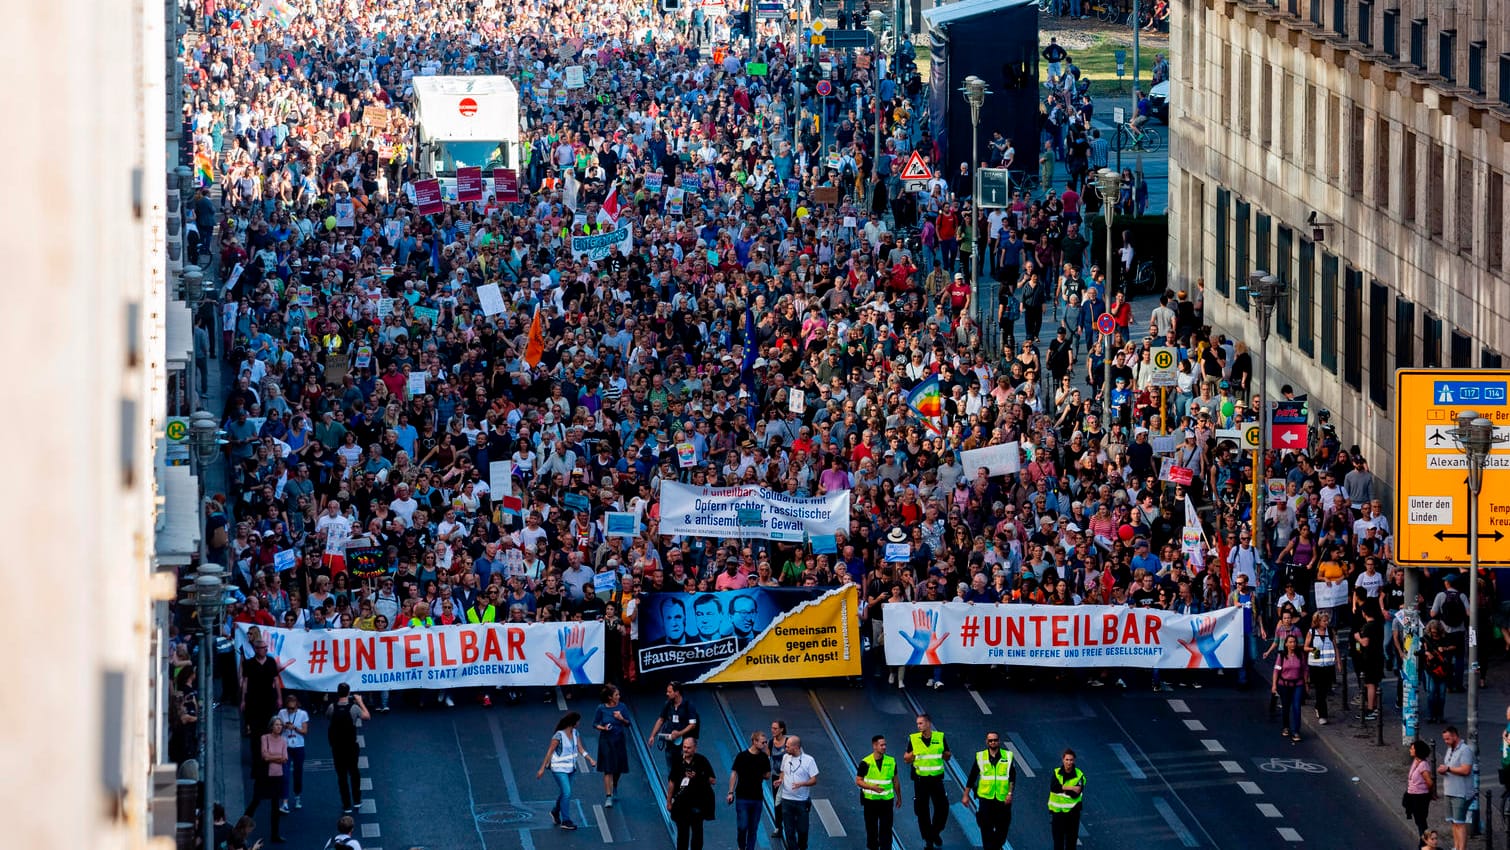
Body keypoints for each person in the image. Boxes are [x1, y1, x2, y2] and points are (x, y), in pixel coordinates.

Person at [537, 710, 593, 830]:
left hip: (571, 768)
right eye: (578, 721)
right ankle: (566, 820)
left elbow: (580, 748)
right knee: (567, 793)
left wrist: (590, 759)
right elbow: (550, 752)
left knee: (564, 793)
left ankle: (555, 812)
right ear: (573, 722)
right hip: (559, 769)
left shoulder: (575, 733)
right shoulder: (558, 735)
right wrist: (542, 768)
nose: (579, 723)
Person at [962, 732, 1017, 850]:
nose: (993, 742)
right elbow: (972, 776)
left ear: (999, 741)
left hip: (1003, 800)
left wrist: (1010, 793)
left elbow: (1012, 777)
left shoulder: (1008, 756)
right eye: (990, 740)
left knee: (1002, 830)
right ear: (987, 742)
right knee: (986, 829)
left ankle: (996, 846)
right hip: (986, 799)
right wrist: (966, 795)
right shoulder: (980, 757)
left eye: (995, 740)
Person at [904, 713, 950, 850]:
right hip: (920, 780)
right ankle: (928, 839)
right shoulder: (913, 739)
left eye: (921, 723)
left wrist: (943, 753)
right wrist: (914, 753)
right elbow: (906, 759)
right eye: (917, 724)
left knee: (942, 808)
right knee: (922, 811)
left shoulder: (939, 737)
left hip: (936, 779)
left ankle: (935, 832)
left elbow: (947, 756)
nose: (918, 726)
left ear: (928, 723)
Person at [243, 717, 288, 844]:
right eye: (276, 724)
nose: (279, 727)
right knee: (256, 801)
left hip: (277, 775)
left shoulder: (283, 741)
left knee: (275, 806)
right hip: (264, 775)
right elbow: (264, 756)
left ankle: (275, 834)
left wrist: (272, 757)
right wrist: (276, 757)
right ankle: (241, 827)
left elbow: (284, 758)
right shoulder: (265, 738)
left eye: (280, 725)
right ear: (271, 726)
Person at [327, 683, 370, 814]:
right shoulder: (354, 708)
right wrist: (360, 702)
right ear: (348, 693)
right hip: (351, 745)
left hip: (337, 746)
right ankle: (357, 800)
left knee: (341, 776)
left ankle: (346, 805)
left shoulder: (332, 707)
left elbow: (328, 717)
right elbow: (367, 716)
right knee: (354, 773)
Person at [668, 737, 716, 850]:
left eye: (689, 748)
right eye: (684, 747)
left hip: (697, 804)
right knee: (682, 835)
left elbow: (713, 780)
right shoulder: (678, 762)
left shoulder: (702, 760)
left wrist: (698, 775)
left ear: (695, 748)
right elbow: (672, 782)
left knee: (697, 833)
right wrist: (669, 801)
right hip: (681, 804)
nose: (686, 750)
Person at [729, 729, 772, 850]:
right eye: (763, 742)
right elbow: (734, 773)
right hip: (742, 797)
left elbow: (768, 775)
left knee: (753, 828)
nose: (764, 745)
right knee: (742, 827)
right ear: (754, 741)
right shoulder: (742, 756)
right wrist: (731, 792)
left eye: (765, 742)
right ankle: (741, 847)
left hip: (757, 798)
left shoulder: (764, 757)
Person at [856, 734, 901, 850]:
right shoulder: (865, 762)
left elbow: (895, 780)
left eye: (885, 744)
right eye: (882, 745)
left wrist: (899, 797)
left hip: (886, 802)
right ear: (874, 746)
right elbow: (858, 781)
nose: (884, 747)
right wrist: (871, 788)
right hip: (870, 802)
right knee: (872, 830)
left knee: (886, 829)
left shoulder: (891, 761)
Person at [777, 734, 819, 850]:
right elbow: (782, 772)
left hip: (801, 801)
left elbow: (814, 779)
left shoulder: (809, 760)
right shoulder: (785, 757)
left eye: (788, 746)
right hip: (787, 800)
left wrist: (802, 784)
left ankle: (802, 847)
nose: (785, 749)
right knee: (789, 831)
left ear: (796, 747)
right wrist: (780, 780)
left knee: (803, 830)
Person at [648, 681, 700, 772]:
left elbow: (692, 725)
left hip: (683, 745)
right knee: (671, 771)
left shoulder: (688, 705)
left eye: (669, 692)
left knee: (683, 770)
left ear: (677, 692)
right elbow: (661, 720)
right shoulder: (668, 704)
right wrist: (652, 735)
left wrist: (679, 733)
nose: (667, 694)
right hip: (670, 745)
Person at [593, 685, 631, 807]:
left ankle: (614, 785)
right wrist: (603, 728)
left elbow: (628, 723)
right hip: (606, 741)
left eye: (619, 695)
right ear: (610, 697)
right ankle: (608, 796)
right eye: (616, 695)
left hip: (619, 740)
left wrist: (621, 718)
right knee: (608, 768)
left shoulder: (622, 707)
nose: (619, 697)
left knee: (618, 768)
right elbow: (595, 724)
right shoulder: (601, 708)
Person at [1439, 726, 1475, 850]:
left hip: (1461, 792)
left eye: (1448, 739)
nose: (1446, 741)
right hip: (1449, 790)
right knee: (1453, 822)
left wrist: (1448, 769)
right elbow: (1450, 766)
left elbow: (1466, 770)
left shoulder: (1465, 750)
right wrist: (1444, 769)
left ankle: (1462, 848)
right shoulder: (1450, 749)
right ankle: (1456, 846)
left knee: (1460, 822)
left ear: (1455, 736)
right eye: (1444, 739)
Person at [239, 639, 283, 738]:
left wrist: (279, 698)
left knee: (268, 723)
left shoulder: (271, 662)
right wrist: (243, 700)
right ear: (256, 649)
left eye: (266, 648)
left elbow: (276, 680)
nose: (265, 650)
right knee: (255, 725)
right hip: (253, 698)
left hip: (268, 697)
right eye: (263, 648)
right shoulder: (249, 663)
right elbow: (245, 682)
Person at [1303, 611, 1341, 725]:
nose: (1326, 623)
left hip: (1328, 666)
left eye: (1327, 620)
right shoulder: (1312, 632)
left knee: (1325, 689)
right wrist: (1313, 649)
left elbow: (1335, 647)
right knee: (1319, 689)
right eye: (1324, 621)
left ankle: (1318, 705)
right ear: (1318, 621)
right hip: (1316, 666)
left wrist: (1338, 662)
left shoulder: (1330, 632)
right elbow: (1305, 647)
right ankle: (1323, 715)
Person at [1270, 634, 1309, 743]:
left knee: (1297, 707)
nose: (1293, 644)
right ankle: (1286, 726)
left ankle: (1296, 730)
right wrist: (1274, 685)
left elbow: (1305, 669)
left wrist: (1306, 684)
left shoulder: (1300, 655)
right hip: (1284, 685)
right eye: (1290, 642)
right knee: (1286, 706)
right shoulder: (1281, 656)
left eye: (1294, 642)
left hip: (1298, 684)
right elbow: (1276, 671)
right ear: (1286, 644)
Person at [275, 693, 309, 812]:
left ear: (297, 706)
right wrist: (283, 727)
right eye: (288, 708)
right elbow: (277, 729)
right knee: (285, 774)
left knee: (298, 772)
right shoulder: (281, 713)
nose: (290, 710)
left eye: (292, 708)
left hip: (298, 746)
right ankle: (284, 802)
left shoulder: (303, 714)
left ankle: (297, 796)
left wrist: (294, 728)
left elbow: (305, 731)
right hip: (285, 746)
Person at [1047, 748, 1085, 850]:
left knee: (1071, 843)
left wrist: (1062, 788)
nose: (1069, 762)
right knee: (1058, 843)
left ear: (1074, 761)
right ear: (1063, 760)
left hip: (1073, 814)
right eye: (1067, 760)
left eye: (1071, 760)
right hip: (1058, 813)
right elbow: (1054, 787)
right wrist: (1071, 787)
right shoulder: (1056, 772)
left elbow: (1075, 794)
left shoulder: (1079, 775)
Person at [1403, 740, 1436, 840]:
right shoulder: (1416, 761)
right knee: (1419, 821)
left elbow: (1429, 782)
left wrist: (1430, 793)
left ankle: (1426, 842)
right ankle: (1425, 840)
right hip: (1413, 795)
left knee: (1421, 821)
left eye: (1412, 749)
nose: (1410, 750)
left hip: (1420, 797)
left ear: (1418, 751)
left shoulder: (1423, 765)